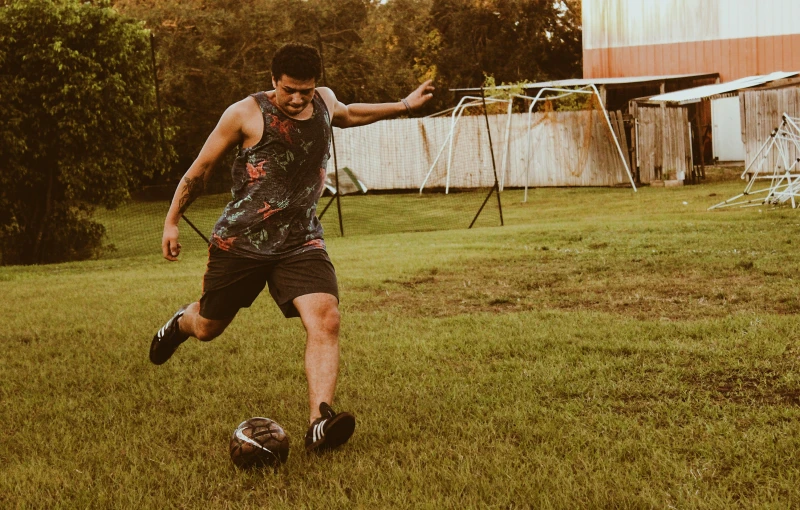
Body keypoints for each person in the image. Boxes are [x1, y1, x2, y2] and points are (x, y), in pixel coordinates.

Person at [149, 42, 434, 454]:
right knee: (209, 328)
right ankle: (181, 323)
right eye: (289, 91)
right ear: (273, 82)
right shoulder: (244, 114)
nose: (298, 99)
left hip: (300, 239)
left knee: (326, 318)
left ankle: (320, 421)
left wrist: (404, 105)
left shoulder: (324, 101)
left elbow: (350, 114)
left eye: (306, 90)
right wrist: (172, 220)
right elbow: (201, 168)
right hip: (242, 243)